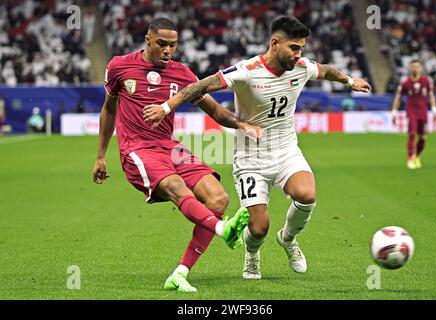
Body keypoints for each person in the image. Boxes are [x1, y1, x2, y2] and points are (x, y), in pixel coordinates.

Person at [143, 16, 371, 280]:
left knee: (307, 194)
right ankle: (252, 254)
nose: (299, 55)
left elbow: (328, 70)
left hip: (286, 151)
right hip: (251, 158)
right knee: (259, 228)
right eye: (294, 48)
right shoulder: (247, 71)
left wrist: (349, 81)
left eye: (301, 48)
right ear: (275, 44)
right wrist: (165, 107)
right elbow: (200, 86)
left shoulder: (302, 67)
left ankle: (287, 239)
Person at [92, 18, 262, 292]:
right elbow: (109, 109)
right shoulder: (120, 66)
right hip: (137, 149)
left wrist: (241, 124)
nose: (168, 50)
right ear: (148, 40)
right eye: (162, 44)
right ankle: (223, 230)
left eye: (173, 45)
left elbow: (214, 109)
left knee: (218, 198)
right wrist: (101, 155)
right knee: (176, 186)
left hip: (170, 147)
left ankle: (180, 273)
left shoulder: (182, 74)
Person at [391, 59, 436, 169]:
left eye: (417, 66)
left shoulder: (426, 81)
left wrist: (434, 109)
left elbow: (431, 95)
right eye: (413, 67)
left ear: (420, 68)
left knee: (423, 137)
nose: (415, 69)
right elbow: (398, 97)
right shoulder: (405, 83)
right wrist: (394, 112)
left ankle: (417, 156)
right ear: (409, 68)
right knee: (412, 133)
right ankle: (410, 158)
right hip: (411, 111)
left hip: (423, 111)